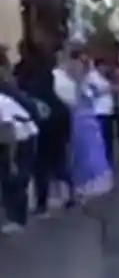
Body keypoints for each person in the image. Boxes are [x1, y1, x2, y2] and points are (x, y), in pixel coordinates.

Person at [14, 42, 73, 213]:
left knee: (40, 163)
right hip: (60, 115)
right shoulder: (47, 70)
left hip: (43, 119)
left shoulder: (25, 72)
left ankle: (42, 204)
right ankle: (69, 194)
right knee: (58, 158)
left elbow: (24, 95)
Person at [56, 51, 114, 199]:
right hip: (80, 121)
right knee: (81, 153)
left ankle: (84, 183)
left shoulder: (82, 81)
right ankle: (79, 184)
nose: (80, 67)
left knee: (89, 152)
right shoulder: (65, 79)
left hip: (87, 121)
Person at [0, 64, 39, 233]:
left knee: (14, 175)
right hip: (16, 136)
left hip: (21, 138)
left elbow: (9, 133)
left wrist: (12, 160)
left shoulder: (2, 101)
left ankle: (18, 218)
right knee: (8, 174)